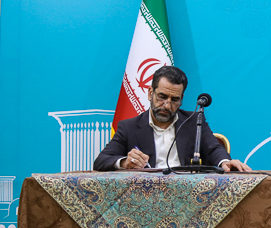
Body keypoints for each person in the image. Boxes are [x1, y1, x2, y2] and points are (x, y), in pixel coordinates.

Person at [94, 66, 251, 172]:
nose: (167, 105)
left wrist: (225, 162)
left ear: (182, 99)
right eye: (162, 97)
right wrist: (125, 162)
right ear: (150, 93)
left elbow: (214, 149)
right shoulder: (129, 127)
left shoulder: (195, 121)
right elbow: (101, 161)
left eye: (174, 99)